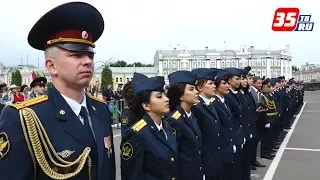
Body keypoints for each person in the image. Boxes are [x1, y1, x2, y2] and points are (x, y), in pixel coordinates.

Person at [0, 2, 115, 180]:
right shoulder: (24, 118)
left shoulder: (100, 109)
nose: (88, 61)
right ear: (51, 66)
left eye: (90, 55)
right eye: (76, 55)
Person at [120, 75, 177, 180]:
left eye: (165, 95)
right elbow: (132, 175)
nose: (166, 99)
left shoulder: (167, 127)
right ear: (146, 105)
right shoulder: (136, 134)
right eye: (159, 96)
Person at [166, 70, 203, 180]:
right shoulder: (174, 120)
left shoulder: (192, 115)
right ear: (180, 96)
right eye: (191, 89)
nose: (197, 92)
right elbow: (174, 156)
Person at [191, 68, 223, 179]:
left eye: (214, 83)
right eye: (210, 83)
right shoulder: (197, 107)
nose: (214, 86)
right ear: (199, 87)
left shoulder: (210, 103)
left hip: (214, 157)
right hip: (206, 159)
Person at [210, 69, 236, 180]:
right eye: (224, 83)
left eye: (228, 83)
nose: (227, 86)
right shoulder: (214, 103)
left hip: (227, 145)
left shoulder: (223, 100)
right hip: (221, 149)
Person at [224, 68, 245, 180]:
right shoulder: (227, 97)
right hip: (231, 138)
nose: (240, 81)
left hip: (237, 135)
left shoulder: (234, 94)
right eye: (237, 79)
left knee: (237, 166)